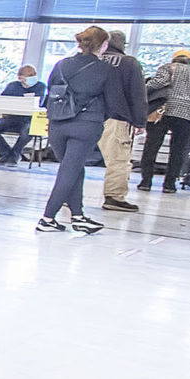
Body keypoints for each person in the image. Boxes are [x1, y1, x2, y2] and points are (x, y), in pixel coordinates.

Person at [39, 26, 113, 234]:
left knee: (73, 169)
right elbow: (113, 100)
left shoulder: (61, 65)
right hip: (86, 124)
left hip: (58, 124)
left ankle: (78, 216)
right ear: (104, 45)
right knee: (69, 171)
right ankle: (47, 217)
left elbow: (51, 90)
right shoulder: (105, 70)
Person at [97, 30, 145, 213]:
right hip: (116, 118)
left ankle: (67, 195)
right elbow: (137, 94)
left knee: (76, 159)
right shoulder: (129, 63)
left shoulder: (92, 60)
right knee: (118, 160)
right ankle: (114, 197)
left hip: (87, 117)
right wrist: (139, 121)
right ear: (122, 45)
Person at [138, 48, 190, 192]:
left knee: (152, 146)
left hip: (164, 111)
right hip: (189, 115)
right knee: (178, 149)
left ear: (174, 59)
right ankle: (170, 185)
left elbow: (157, 84)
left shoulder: (168, 68)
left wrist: (142, 89)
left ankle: (145, 182)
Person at [0, 65, 44, 166]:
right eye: (30, 75)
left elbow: (39, 103)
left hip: (29, 119)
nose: (33, 77)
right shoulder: (12, 86)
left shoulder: (40, 86)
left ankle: (15, 154)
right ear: (20, 78)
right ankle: (6, 153)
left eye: (34, 74)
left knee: (28, 130)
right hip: (11, 118)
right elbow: (3, 101)